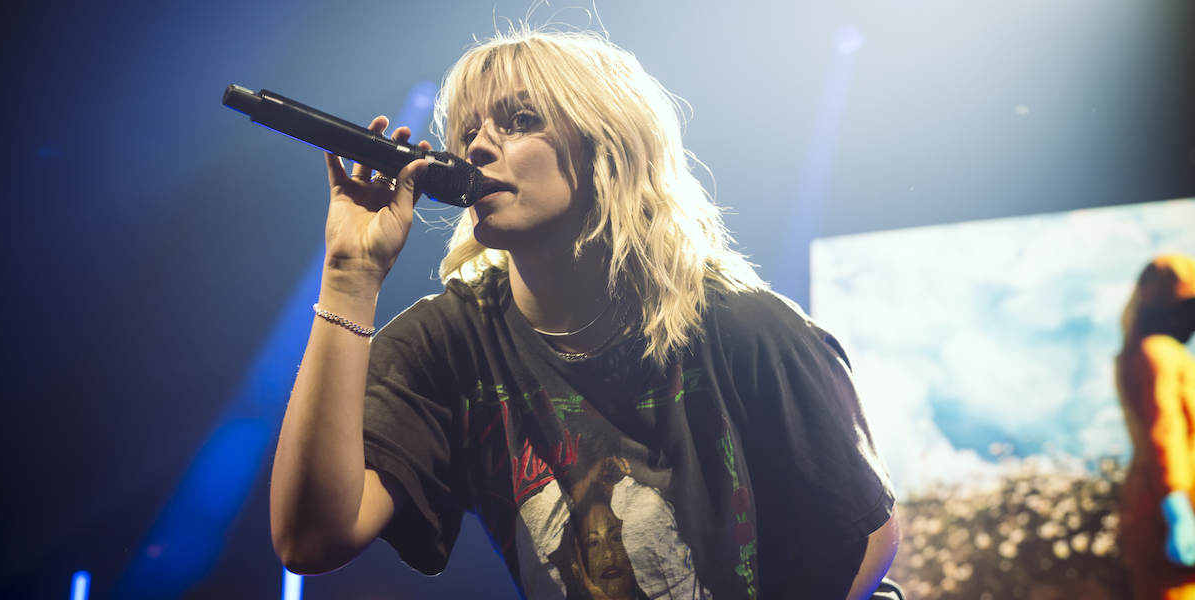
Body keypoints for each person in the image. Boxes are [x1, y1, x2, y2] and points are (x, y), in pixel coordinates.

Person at [269, 27, 899, 600]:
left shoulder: (743, 326)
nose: (478, 147)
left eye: (518, 121)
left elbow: (865, 535)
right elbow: (311, 541)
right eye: (468, 132)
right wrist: (350, 278)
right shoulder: (450, 344)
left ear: (610, 148)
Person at [1118, 254, 1195, 600]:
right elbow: (1165, 432)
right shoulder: (1159, 352)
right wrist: (1177, 508)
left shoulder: (1154, 353)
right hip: (1167, 508)